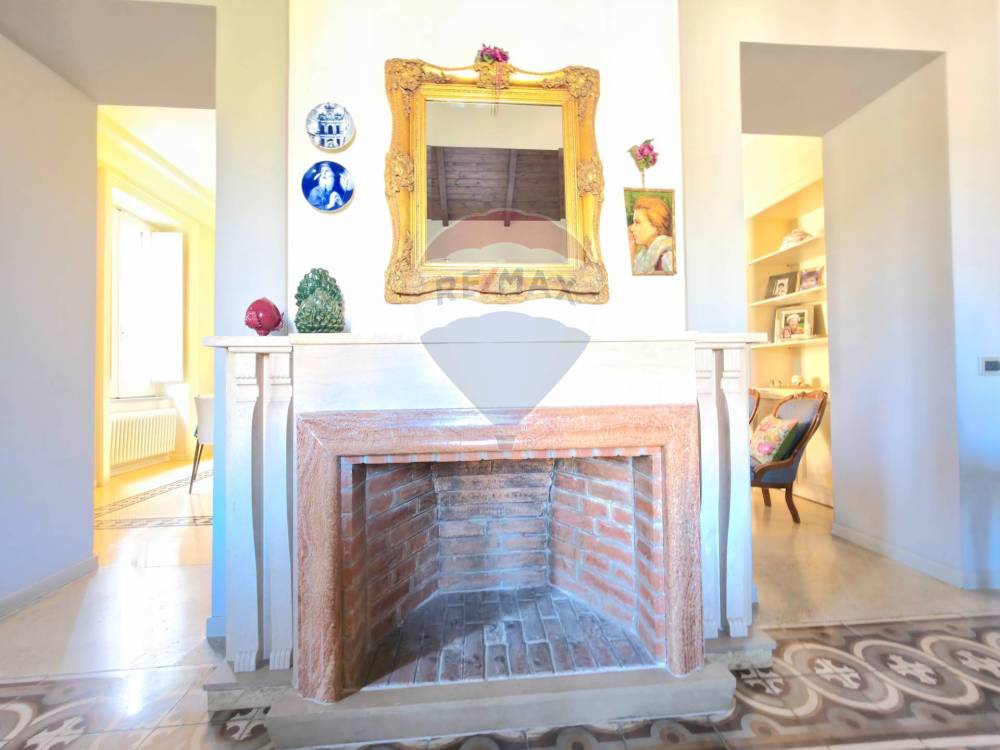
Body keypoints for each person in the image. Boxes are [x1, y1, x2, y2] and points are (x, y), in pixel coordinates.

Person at [629, 195, 674, 274]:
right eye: (633, 222)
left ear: (656, 225)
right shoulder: (642, 257)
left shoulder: (667, 257)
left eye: (637, 222)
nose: (632, 228)